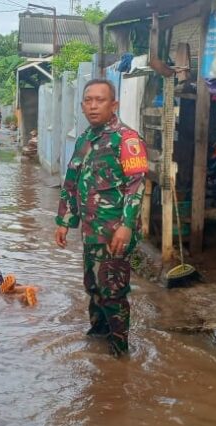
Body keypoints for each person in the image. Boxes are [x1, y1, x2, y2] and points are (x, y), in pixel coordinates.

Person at [54, 79, 148, 356]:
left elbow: (137, 185)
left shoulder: (127, 139)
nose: (93, 106)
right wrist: (64, 221)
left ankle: (120, 354)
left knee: (113, 291)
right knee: (93, 287)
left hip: (114, 233)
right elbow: (71, 180)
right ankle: (97, 342)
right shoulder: (86, 138)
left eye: (100, 100)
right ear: (82, 105)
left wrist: (127, 226)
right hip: (91, 232)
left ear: (114, 104)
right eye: (88, 100)